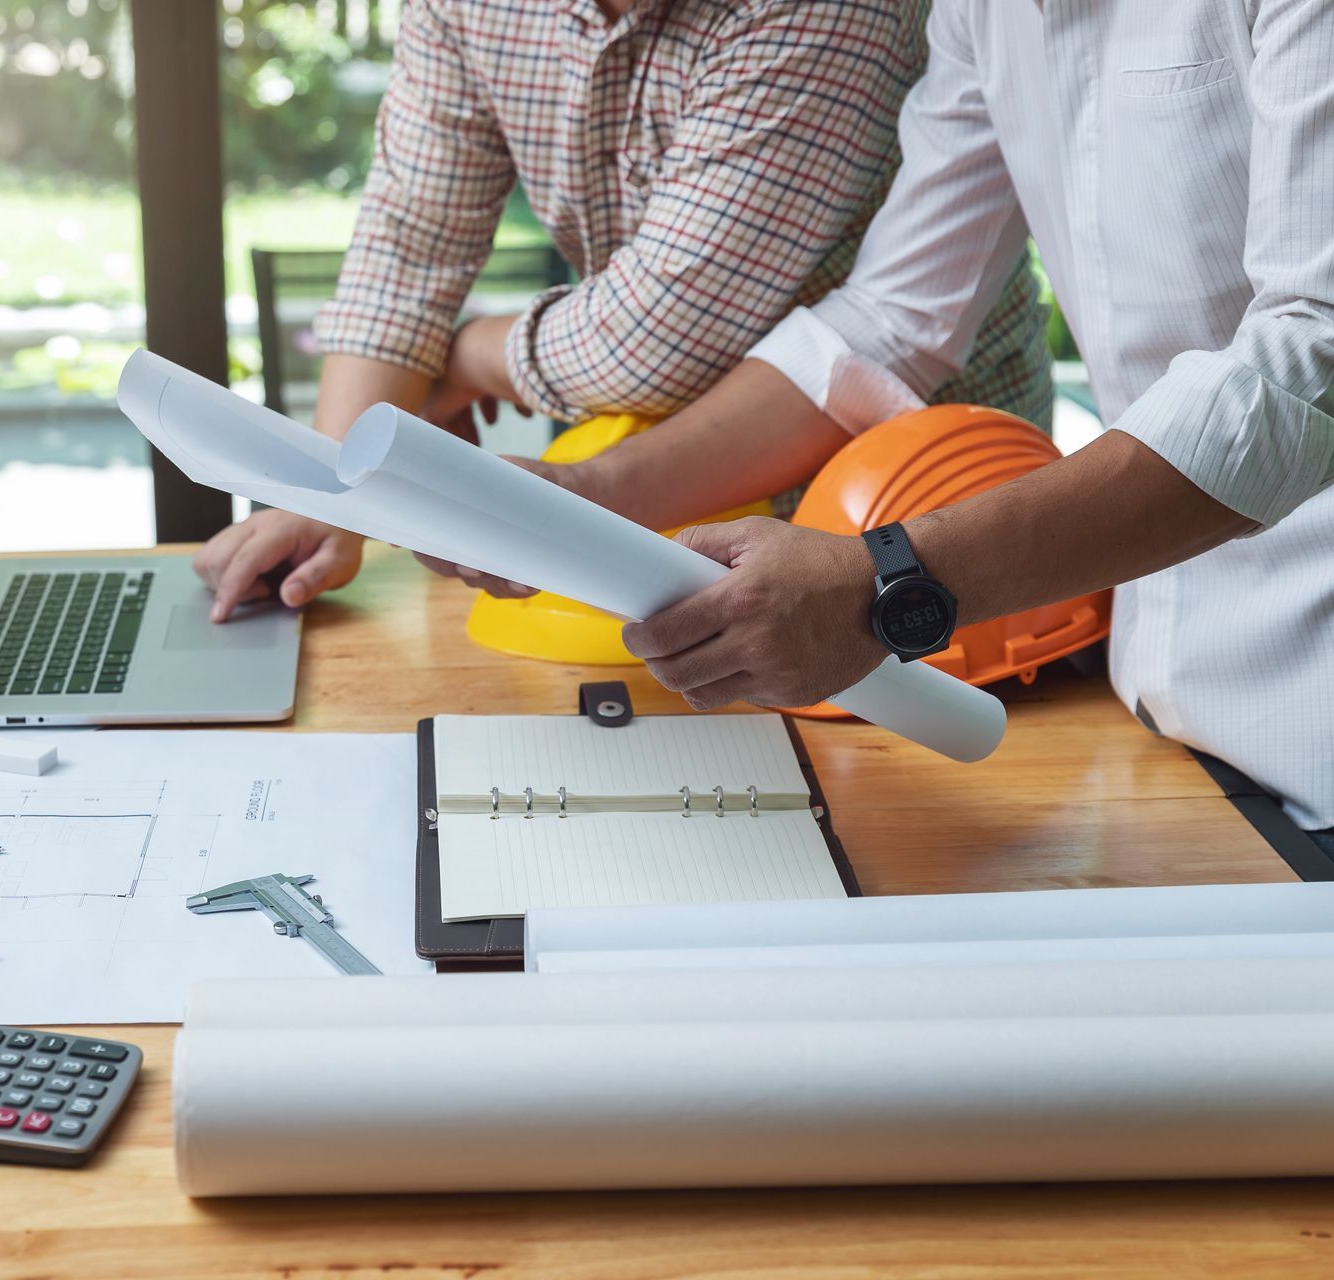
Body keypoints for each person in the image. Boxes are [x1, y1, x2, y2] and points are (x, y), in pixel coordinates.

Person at [547, 0, 1334, 844]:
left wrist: (886, 585)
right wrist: (586, 495)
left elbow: (1309, 358)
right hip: (1172, 727)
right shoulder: (984, 12)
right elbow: (894, 319)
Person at [195, 0, 1051, 621]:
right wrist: (336, 492)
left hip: (918, 507)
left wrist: (468, 357)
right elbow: (409, 240)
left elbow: (652, 339)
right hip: (651, 494)